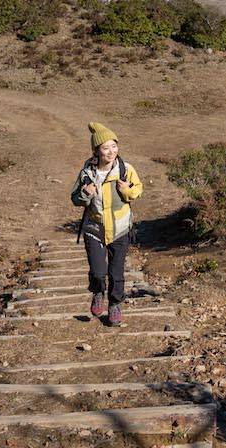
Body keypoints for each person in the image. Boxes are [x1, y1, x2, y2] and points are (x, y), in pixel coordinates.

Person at [70, 122, 142, 326]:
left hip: (120, 229)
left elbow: (137, 191)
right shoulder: (87, 173)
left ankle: (115, 306)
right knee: (98, 272)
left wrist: (126, 189)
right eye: (105, 148)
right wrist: (86, 193)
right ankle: (98, 292)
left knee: (116, 273)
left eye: (114, 146)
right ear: (96, 151)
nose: (111, 152)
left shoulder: (125, 170)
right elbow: (75, 198)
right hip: (95, 229)